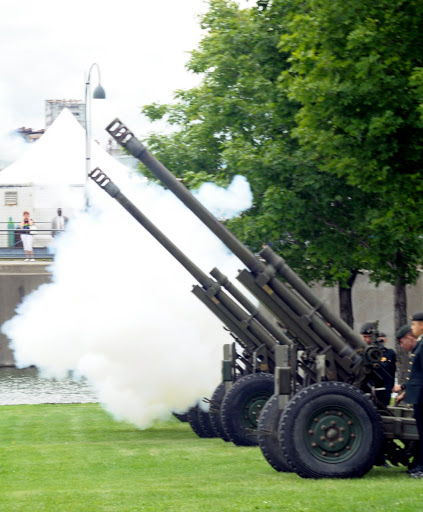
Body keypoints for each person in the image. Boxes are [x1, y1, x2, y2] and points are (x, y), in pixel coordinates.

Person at [393, 316, 423, 478]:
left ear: (408, 338)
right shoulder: (418, 348)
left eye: (414, 325)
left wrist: (404, 387)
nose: (401, 346)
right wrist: (405, 391)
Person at [360, 322, 396, 406]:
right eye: (365, 337)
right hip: (363, 391)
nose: (368, 340)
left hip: (381, 393)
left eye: (370, 337)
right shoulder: (358, 352)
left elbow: (390, 374)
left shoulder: (387, 353)